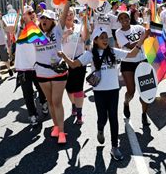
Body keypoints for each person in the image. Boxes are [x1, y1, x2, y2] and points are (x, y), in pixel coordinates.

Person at [58, 27, 144, 161]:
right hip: (99, 92)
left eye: (106, 37)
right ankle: (100, 129)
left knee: (114, 118)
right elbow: (74, 64)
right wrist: (64, 56)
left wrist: (142, 39)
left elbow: (132, 54)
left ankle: (114, 147)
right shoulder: (90, 54)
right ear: (96, 40)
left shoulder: (114, 52)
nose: (105, 40)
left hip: (114, 90)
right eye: (102, 37)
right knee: (102, 118)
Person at [26, 0, 70, 144]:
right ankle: (56, 126)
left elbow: (63, 16)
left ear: (52, 21)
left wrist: (68, 0)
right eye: (42, 18)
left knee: (57, 101)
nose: (44, 20)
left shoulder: (57, 31)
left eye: (47, 18)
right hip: (42, 73)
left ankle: (62, 132)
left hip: (58, 72)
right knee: (50, 102)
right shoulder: (34, 33)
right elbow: (24, 24)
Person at [115, 11, 151, 125]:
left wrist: (148, 16)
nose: (124, 19)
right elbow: (130, 46)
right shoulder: (119, 32)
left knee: (146, 91)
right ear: (119, 21)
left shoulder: (138, 27)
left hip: (142, 61)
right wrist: (143, 38)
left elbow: (149, 31)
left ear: (129, 18)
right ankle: (126, 102)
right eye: (121, 18)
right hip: (128, 63)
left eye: (126, 17)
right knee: (131, 91)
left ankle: (144, 115)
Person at [15, 6, 48, 126]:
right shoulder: (18, 29)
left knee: (41, 89)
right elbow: (10, 31)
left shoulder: (40, 26)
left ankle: (44, 102)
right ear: (23, 16)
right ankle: (32, 114)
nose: (32, 14)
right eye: (28, 13)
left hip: (38, 65)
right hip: (23, 66)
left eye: (32, 12)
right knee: (27, 92)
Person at [62, 8, 88, 125]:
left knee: (78, 88)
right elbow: (55, 43)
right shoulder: (59, 29)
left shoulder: (79, 26)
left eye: (71, 14)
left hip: (79, 61)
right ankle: (73, 104)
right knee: (69, 88)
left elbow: (85, 38)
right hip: (65, 62)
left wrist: (86, 22)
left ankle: (79, 114)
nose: (69, 16)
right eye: (67, 14)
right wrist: (66, 34)